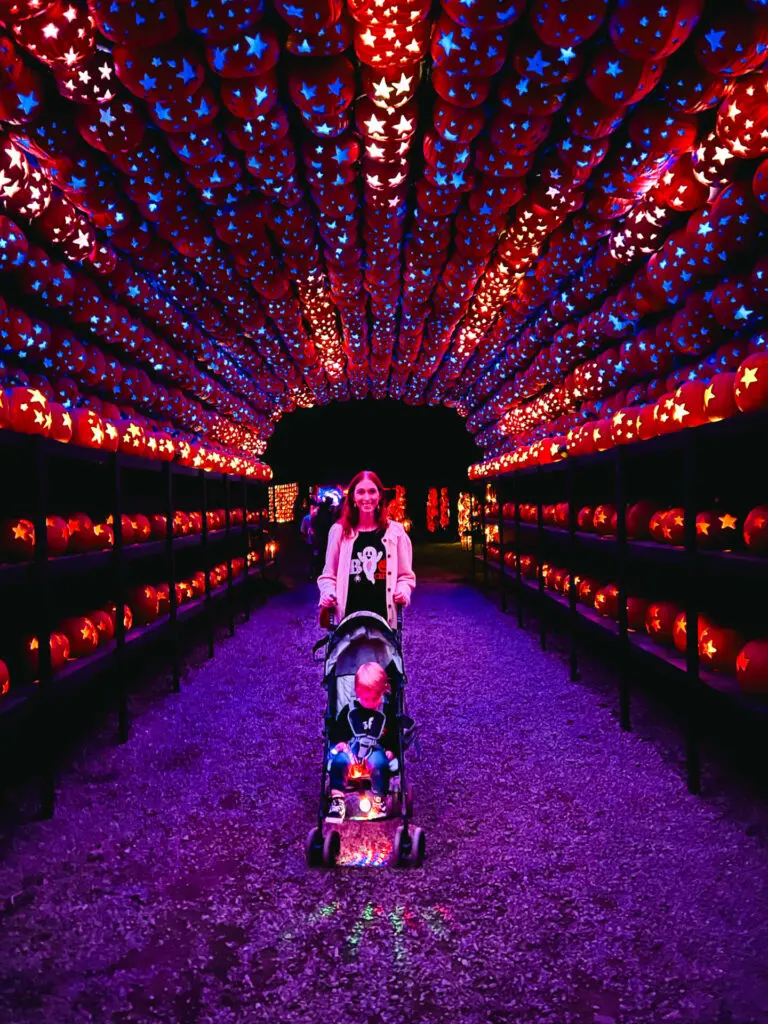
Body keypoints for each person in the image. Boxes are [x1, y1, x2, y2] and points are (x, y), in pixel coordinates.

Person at [317, 469, 415, 628]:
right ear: (353, 497)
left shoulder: (395, 532)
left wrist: (403, 592)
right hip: (347, 625)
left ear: (380, 496)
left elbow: (405, 576)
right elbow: (328, 576)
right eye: (361, 492)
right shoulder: (339, 532)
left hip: (384, 625)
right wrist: (328, 594)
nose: (367, 497)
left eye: (372, 491)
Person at [326, 661, 397, 821]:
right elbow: (338, 730)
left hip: (375, 749)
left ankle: (379, 800)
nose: (369, 702)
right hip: (352, 749)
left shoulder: (386, 712)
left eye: (374, 698)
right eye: (365, 698)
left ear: (383, 693)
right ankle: (337, 800)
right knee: (338, 762)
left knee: (380, 764)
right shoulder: (349, 711)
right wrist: (341, 743)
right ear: (357, 692)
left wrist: (391, 749)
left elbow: (393, 734)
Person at [311, 496, 336, 580]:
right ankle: (319, 573)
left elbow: (314, 523)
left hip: (319, 538)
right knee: (321, 556)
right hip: (323, 538)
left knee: (318, 556)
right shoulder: (326, 513)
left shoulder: (319, 511)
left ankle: (316, 573)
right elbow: (326, 525)